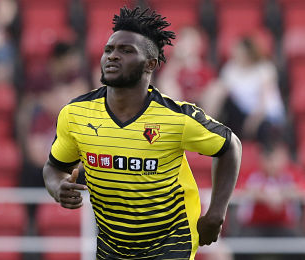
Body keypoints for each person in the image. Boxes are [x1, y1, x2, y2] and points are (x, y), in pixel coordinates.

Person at [43, 6, 242, 259]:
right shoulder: (75, 114)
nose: (112, 56)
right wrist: (57, 187)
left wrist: (215, 214)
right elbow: (53, 167)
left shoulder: (176, 118)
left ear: (151, 63)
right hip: (112, 246)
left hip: (172, 240)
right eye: (109, 50)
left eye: (126, 51)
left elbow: (230, 146)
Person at [18, 41, 89, 187]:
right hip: (42, 140)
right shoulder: (39, 80)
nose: (75, 63)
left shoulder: (76, 78)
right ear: (59, 59)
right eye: (71, 58)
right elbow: (25, 115)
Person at [201, 37, 286, 145]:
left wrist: (254, 120)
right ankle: (205, 126)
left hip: (265, 115)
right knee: (217, 89)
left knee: (264, 129)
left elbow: (265, 100)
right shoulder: (230, 69)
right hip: (240, 113)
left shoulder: (264, 68)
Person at [156, 26, 216, 105]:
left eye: (192, 40)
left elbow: (210, 89)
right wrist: (176, 60)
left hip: (201, 105)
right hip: (179, 103)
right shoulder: (174, 65)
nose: (188, 45)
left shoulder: (204, 68)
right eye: (185, 40)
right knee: (167, 83)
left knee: (217, 88)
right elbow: (162, 83)